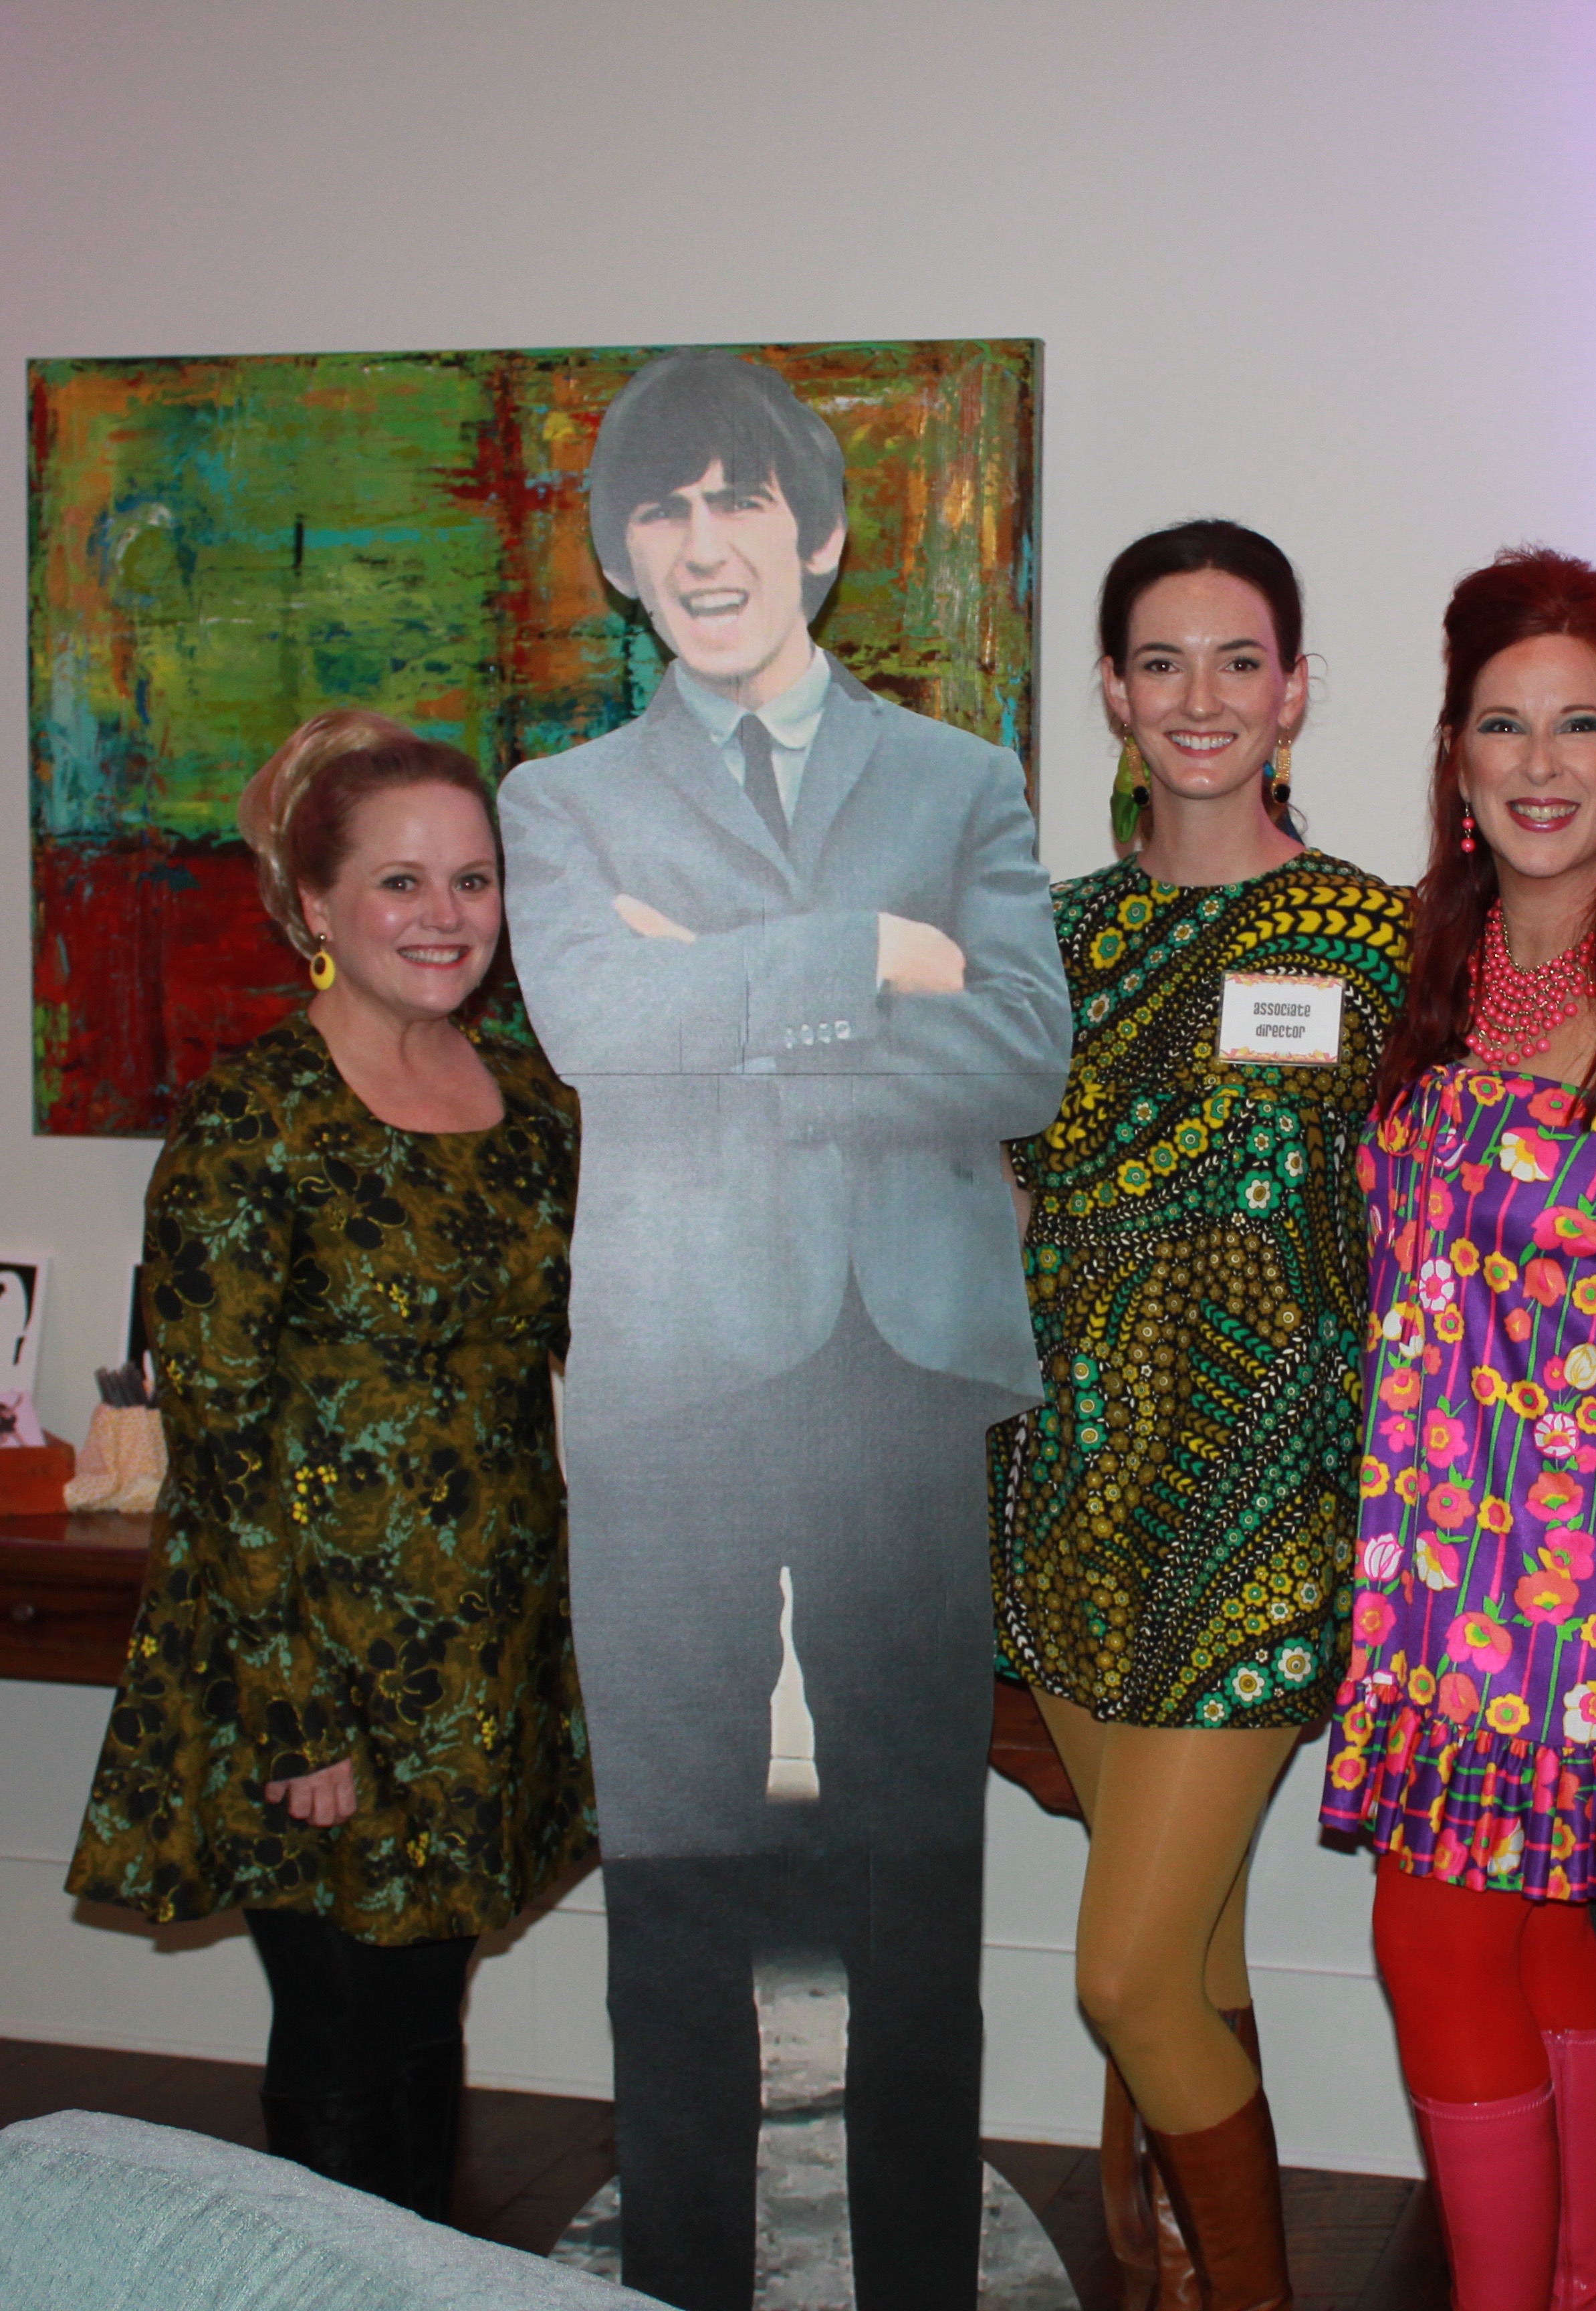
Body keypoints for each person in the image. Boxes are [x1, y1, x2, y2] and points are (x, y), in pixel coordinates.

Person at [497, 350, 1070, 2311]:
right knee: (677, 1888)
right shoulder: (562, 802)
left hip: (899, 1389)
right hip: (669, 1406)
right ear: (622, 559)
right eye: (661, 511)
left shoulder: (960, 781)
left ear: (816, 537)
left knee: (915, 1891)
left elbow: (1022, 1053)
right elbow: (598, 1029)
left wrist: (738, 1013)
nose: (702, 543)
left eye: (740, 500)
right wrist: (869, 961)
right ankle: (683, 2283)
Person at [67, 709, 592, 2220]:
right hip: (318, 1663)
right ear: (314, 903)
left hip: (486, 1654)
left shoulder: (535, 1105)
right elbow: (223, 1451)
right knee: (349, 2038)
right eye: (400, 883)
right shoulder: (253, 1124)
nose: (446, 917)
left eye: (474, 881)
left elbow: (603, 1338)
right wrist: (300, 1719)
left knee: (424, 2019)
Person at [1318, 549, 1596, 2311]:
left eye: (1581, 724)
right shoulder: (1430, 972)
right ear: (1457, 758)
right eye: (1504, 725)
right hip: (1428, 1566)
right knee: (1541, 1936)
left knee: (1434, 1944)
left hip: (1585, 1577)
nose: (1542, 762)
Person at [989, 518, 1409, 2311]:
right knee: (1197, 1954)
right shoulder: (1050, 938)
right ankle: (1180, 2278)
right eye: (1162, 662)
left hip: (1265, 1514)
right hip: (1072, 1505)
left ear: (1295, 690)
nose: (1201, 698)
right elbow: (1000, 1203)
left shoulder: (1377, 939)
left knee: (1124, 1975)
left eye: (1240, 660)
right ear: (1112, 691)